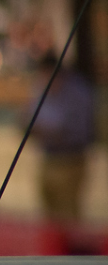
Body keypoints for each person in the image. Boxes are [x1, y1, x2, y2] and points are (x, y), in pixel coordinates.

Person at [27, 53, 96, 222]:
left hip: (70, 160)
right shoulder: (40, 89)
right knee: (49, 218)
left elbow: (78, 130)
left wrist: (50, 131)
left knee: (68, 217)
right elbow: (28, 119)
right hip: (48, 158)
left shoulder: (78, 91)